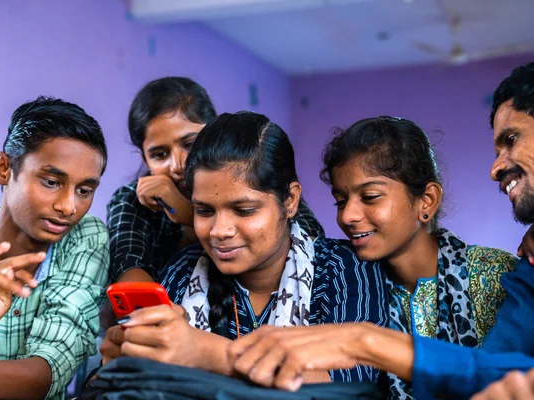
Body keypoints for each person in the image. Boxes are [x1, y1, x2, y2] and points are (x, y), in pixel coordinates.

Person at [226, 62, 534, 400]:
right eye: (340, 201)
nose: (349, 216)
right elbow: (291, 226)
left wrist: (367, 343)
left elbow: (501, 377)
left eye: (370, 197)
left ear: (426, 201)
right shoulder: (342, 284)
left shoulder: (495, 275)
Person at [99, 111, 387, 385]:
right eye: (204, 211)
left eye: (244, 210)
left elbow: (352, 383)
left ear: (290, 200)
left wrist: (210, 355)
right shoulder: (183, 270)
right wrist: (119, 368)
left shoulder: (344, 267)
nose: (219, 231)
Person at [0, 96, 110, 399]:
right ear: (4, 169)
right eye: (52, 181)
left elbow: (48, 371)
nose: (68, 207)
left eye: (84, 190)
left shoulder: (86, 237)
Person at [107, 77, 324, 284]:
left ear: (214, 134)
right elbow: (128, 271)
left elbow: (314, 246)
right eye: (159, 155)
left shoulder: (256, 179)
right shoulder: (132, 200)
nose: (177, 165)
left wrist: (188, 213)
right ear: (144, 158)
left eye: (189, 144)